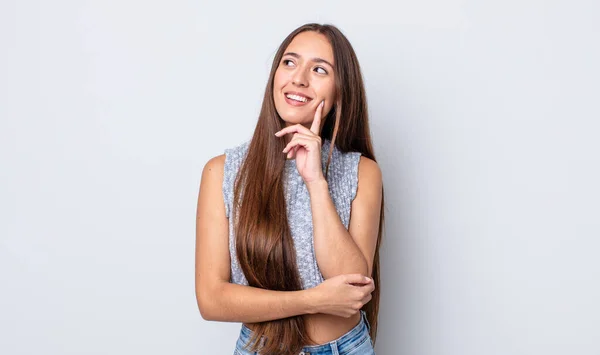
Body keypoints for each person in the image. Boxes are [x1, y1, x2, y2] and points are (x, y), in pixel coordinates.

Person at [195, 23, 385, 355]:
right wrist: (315, 300)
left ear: (340, 91)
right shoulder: (222, 172)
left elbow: (352, 287)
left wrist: (316, 182)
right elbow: (211, 300)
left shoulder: (361, 172)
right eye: (289, 62)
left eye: (320, 69)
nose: (299, 78)